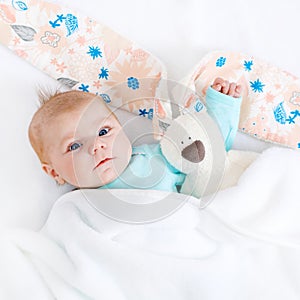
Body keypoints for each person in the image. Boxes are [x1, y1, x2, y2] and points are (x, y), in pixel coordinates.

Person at [28, 78, 242, 192]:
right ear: (54, 172)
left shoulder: (159, 157)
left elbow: (207, 154)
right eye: (74, 146)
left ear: (122, 127)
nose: (97, 146)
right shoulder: (75, 208)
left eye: (103, 132)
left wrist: (222, 104)